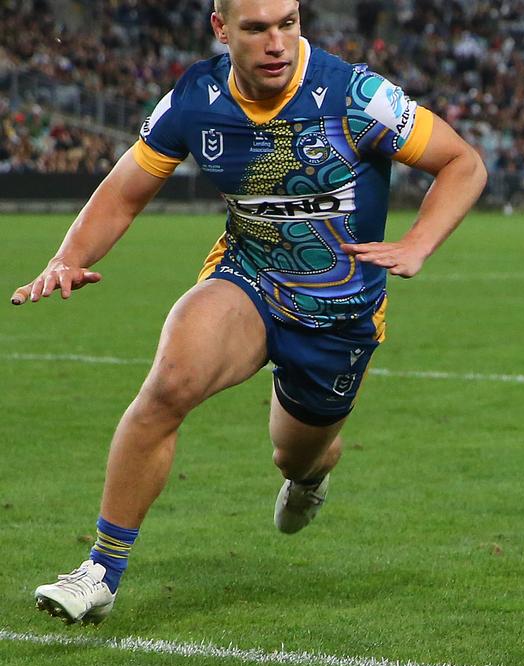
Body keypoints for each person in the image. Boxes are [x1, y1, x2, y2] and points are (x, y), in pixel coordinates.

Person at [12, 0, 487, 625]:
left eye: (288, 23)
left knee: (295, 454)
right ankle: (100, 570)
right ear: (221, 29)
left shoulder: (355, 94)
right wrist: (67, 257)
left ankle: (311, 476)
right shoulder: (194, 98)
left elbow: (462, 162)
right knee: (168, 386)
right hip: (249, 278)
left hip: (337, 316)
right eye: (257, 28)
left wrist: (420, 242)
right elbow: (125, 192)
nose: (277, 43)